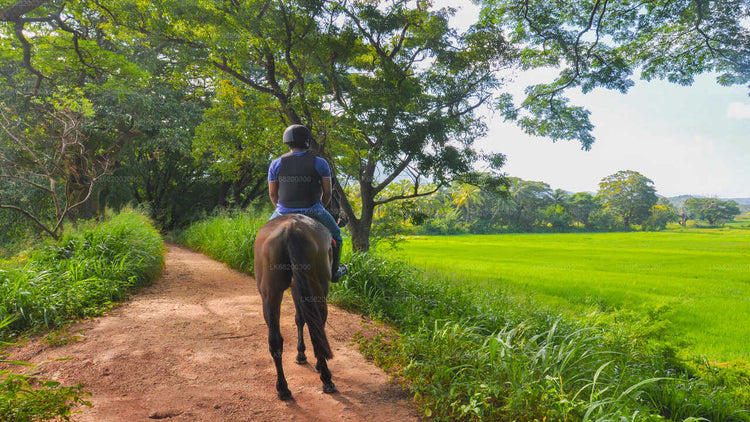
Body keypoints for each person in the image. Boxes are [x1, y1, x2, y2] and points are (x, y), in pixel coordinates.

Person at [267, 124, 347, 282]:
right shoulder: (321, 163)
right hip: (314, 210)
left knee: (266, 237)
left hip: (284, 212)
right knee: (337, 237)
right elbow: (328, 192)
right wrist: (319, 208)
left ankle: (267, 270)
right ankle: (334, 272)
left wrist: (281, 209)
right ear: (307, 141)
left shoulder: (276, 164)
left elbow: (272, 194)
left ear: (287, 141)